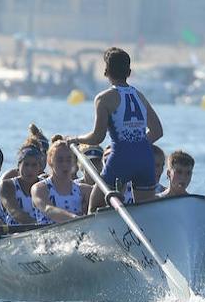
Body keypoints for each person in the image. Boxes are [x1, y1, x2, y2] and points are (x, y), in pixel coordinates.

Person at [69, 47, 163, 210]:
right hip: (145, 158)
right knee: (145, 210)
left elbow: (97, 138)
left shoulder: (104, 98)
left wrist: (76, 139)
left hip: (121, 158)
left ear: (106, 71)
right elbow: (157, 131)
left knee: (95, 206)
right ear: (129, 72)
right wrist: (137, 144)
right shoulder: (140, 96)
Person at [32, 138, 91, 223]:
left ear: (74, 162)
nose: (65, 164)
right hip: (48, 235)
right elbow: (48, 209)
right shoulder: (39, 189)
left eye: (68, 160)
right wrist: (75, 218)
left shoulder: (85, 191)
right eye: (60, 160)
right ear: (50, 161)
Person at [0, 143, 46, 226]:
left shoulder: (46, 186)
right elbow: (15, 212)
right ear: (18, 166)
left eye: (34, 165)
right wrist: (37, 225)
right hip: (15, 234)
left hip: (43, 232)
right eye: (26, 164)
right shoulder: (7, 185)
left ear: (40, 168)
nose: (29, 169)